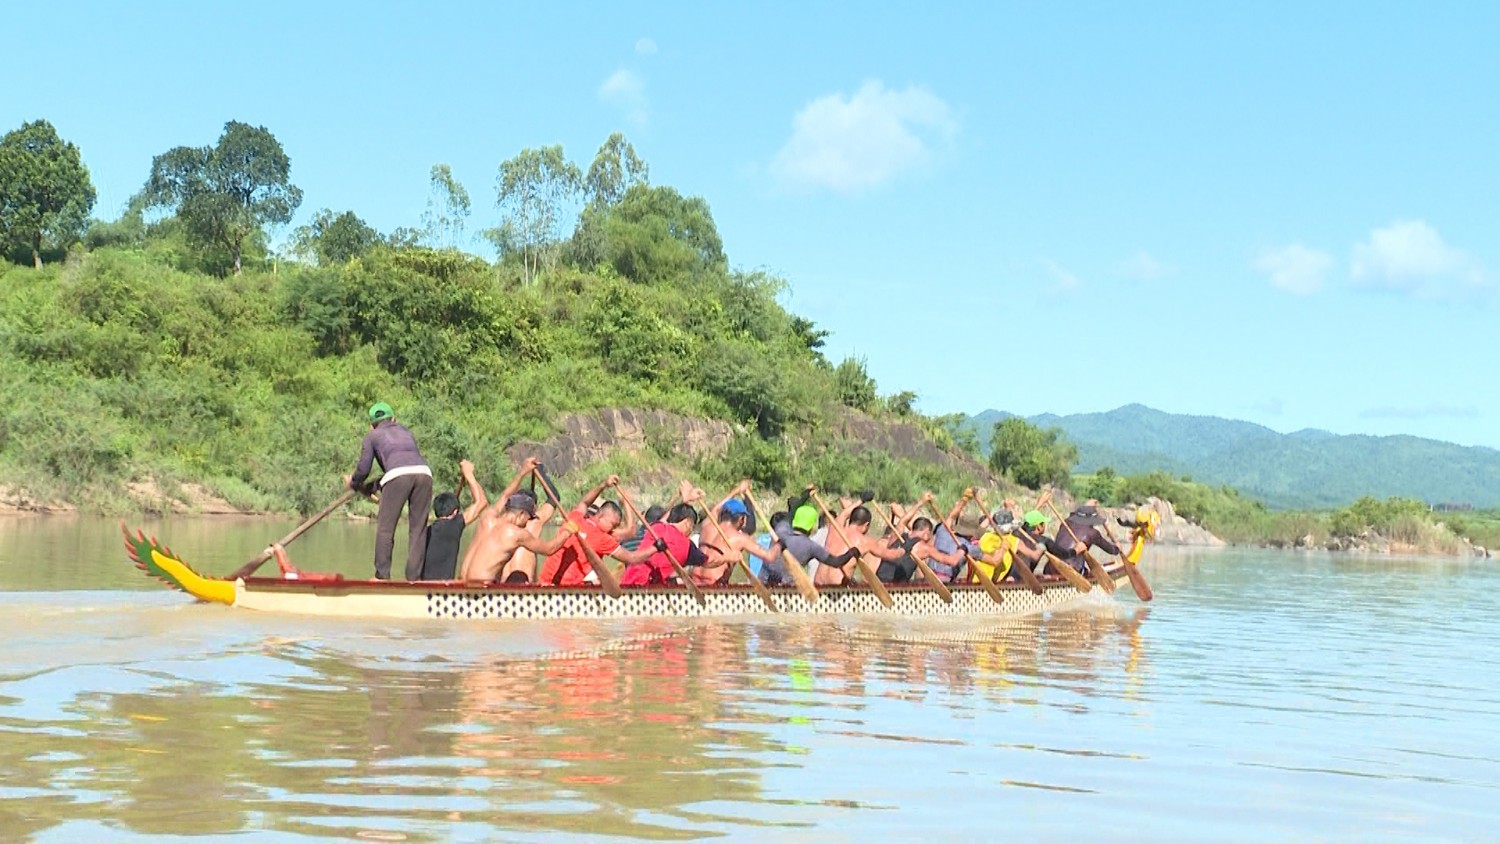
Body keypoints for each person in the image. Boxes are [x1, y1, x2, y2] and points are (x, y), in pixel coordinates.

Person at [348, 402, 434, 580]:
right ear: (393, 419)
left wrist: (354, 482)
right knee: (418, 530)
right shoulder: (405, 431)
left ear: (371, 425)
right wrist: (373, 485)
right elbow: (405, 463)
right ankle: (414, 580)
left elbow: (363, 470)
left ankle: (382, 577)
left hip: (397, 475)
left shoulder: (372, 436)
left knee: (386, 530)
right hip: (424, 473)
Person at [459, 458, 573, 584]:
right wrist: (567, 532)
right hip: (482, 592)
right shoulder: (516, 534)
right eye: (528, 518)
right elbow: (549, 549)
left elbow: (505, 496)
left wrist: (523, 471)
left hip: (460, 586)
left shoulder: (487, 516)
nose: (527, 523)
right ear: (521, 514)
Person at [538, 474, 655, 586]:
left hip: (544, 582)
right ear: (600, 516)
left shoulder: (575, 518)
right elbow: (632, 556)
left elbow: (584, 502)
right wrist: (656, 548)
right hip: (567, 591)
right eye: (613, 525)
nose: (613, 529)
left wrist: (603, 485)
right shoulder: (603, 539)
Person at [695, 481, 783, 586]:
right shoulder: (740, 538)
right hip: (714, 584)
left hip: (693, 578)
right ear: (741, 519)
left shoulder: (707, 525)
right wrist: (780, 543)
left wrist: (736, 490)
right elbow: (770, 556)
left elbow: (717, 508)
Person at [766, 493, 859, 587]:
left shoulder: (780, 530)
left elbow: (791, 514)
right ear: (810, 527)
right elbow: (836, 562)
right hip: (787, 591)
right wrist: (851, 553)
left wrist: (805, 496)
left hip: (765, 585)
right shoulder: (811, 546)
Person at [418, 459, 490, 580]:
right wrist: (469, 474)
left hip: (424, 585)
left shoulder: (427, 531)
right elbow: (482, 502)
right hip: (442, 589)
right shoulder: (454, 526)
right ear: (455, 512)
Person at [620, 493, 711, 586]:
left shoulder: (656, 527)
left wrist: (684, 500)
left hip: (627, 582)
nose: (691, 531)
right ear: (687, 522)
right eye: (692, 526)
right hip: (649, 589)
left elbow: (664, 518)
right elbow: (709, 562)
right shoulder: (688, 546)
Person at [823, 498, 909, 586]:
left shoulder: (835, 528)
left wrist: (861, 499)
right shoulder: (864, 541)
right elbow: (891, 555)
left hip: (817, 586)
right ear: (866, 525)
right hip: (836, 591)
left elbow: (844, 514)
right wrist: (905, 549)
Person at [1051, 503, 1122, 574]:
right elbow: (1112, 550)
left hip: (1050, 567)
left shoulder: (1066, 522)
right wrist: (1117, 548)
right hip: (1071, 571)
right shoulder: (1093, 533)